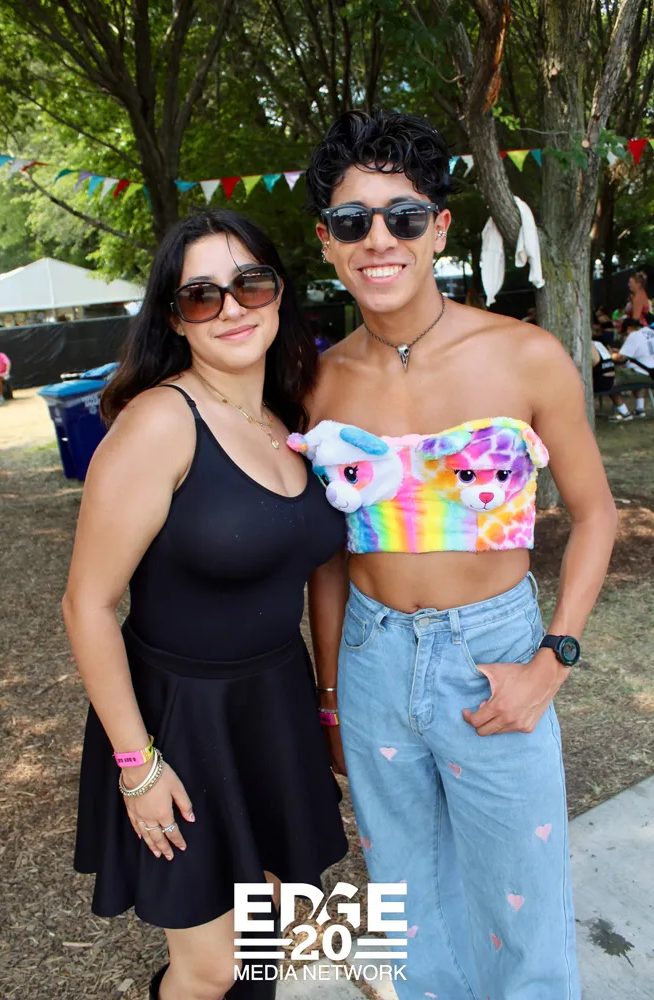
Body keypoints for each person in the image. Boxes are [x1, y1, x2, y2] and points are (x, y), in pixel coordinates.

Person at [290, 110, 617, 1000]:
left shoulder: (525, 355)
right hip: (369, 659)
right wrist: (330, 697)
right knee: (404, 902)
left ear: (438, 227)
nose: (378, 239)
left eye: (402, 216)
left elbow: (595, 515)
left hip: (494, 651)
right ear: (327, 241)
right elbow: (327, 560)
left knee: (523, 903)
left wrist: (553, 658)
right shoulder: (315, 382)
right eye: (352, 221)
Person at [63, 209, 348, 1000]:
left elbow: (324, 565)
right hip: (180, 721)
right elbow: (87, 605)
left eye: (249, 283)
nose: (230, 308)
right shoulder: (161, 422)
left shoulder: (289, 417)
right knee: (210, 967)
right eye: (201, 295)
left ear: (278, 292)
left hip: (275, 703)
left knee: (269, 930)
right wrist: (135, 765)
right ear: (172, 317)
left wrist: (325, 706)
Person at [611, 316, 654, 419]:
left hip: (641, 373)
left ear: (629, 328)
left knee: (608, 380)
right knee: (639, 374)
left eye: (625, 334)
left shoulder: (634, 335)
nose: (625, 337)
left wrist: (610, 354)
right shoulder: (651, 332)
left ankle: (625, 413)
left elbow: (621, 358)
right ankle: (640, 409)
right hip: (650, 373)